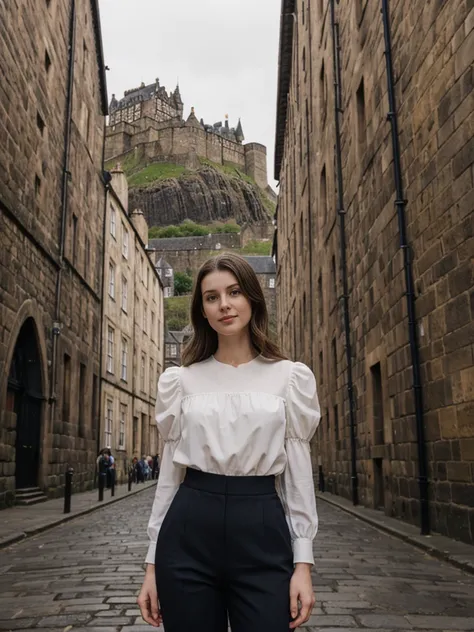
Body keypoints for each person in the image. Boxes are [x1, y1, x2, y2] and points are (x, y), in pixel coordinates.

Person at [138, 254, 320, 632]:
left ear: (252, 299)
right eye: (211, 297)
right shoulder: (181, 382)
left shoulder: (289, 378)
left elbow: (298, 477)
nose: (224, 304)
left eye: (234, 292)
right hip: (188, 531)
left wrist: (303, 563)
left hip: (262, 531)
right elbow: (171, 476)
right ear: (202, 311)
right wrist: (152, 564)